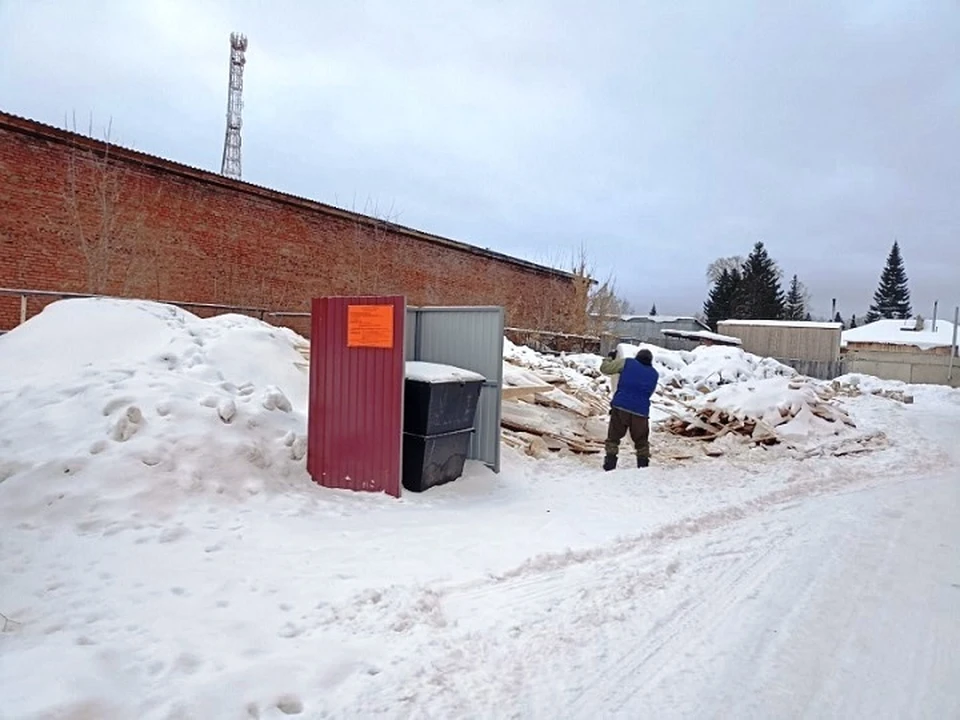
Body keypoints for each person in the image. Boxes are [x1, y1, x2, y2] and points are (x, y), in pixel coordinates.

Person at [599, 347, 659, 470]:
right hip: (641, 411)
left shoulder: (628, 362)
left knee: (613, 437)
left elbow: (605, 369)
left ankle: (610, 464)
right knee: (641, 441)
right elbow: (649, 393)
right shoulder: (654, 374)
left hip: (621, 406)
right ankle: (643, 466)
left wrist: (609, 357)